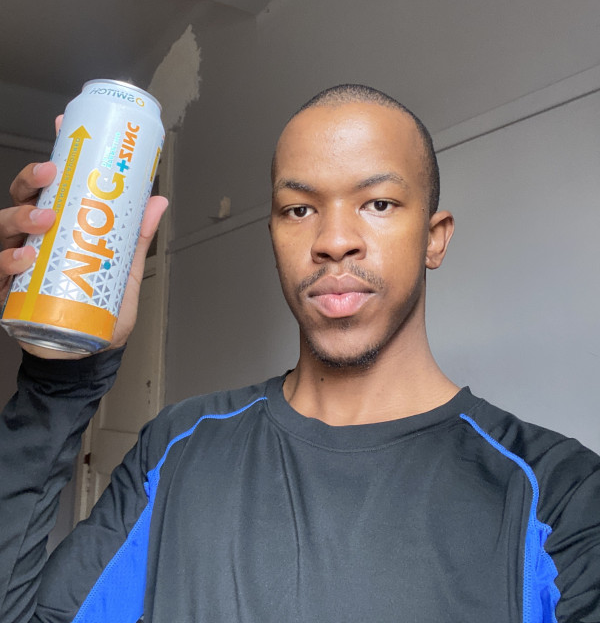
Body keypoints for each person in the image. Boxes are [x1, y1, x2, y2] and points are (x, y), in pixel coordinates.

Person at [0, 84, 598, 623]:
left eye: (378, 203)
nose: (334, 241)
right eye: (299, 209)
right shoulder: (179, 445)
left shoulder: (559, 494)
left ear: (434, 239)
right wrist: (60, 379)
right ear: (274, 236)